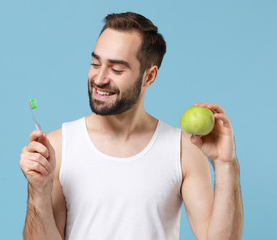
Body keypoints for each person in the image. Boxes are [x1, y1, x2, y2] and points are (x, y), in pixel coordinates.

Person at [19, 12, 243, 240]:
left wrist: (226, 165)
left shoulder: (183, 150)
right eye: (96, 63)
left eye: (116, 69)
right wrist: (38, 190)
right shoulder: (59, 146)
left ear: (149, 77)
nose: (100, 78)